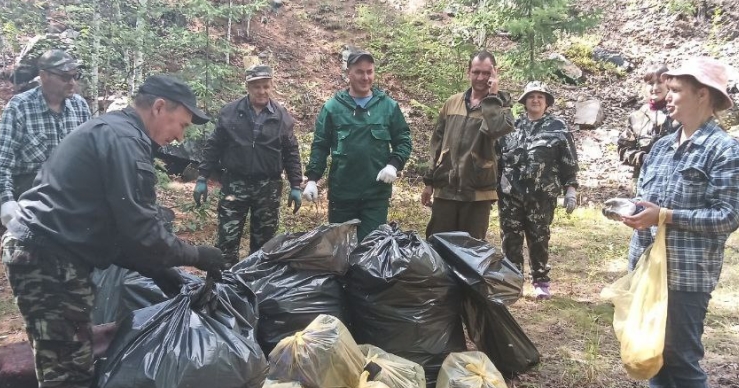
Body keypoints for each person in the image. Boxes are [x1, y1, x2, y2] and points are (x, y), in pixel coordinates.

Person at [2, 74, 230, 388]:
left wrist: (165, 274)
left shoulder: (114, 134)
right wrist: (197, 255)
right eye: (181, 124)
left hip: (51, 256)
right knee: (68, 373)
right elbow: (143, 233)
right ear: (159, 107)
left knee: (61, 364)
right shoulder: (124, 142)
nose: (180, 136)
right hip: (49, 261)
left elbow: (119, 237)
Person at [622, 57, 739, 388]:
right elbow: (650, 201)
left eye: (676, 90)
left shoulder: (724, 150)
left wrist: (667, 216)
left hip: (687, 273)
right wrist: (637, 213)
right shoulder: (663, 145)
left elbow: (727, 216)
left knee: (682, 358)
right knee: (655, 348)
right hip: (648, 267)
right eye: (668, 88)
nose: (667, 96)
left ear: (703, 95)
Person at [194, 65, 303, 265]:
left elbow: (291, 152)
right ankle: (224, 286)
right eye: (256, 87)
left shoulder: (281, 116)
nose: (262, 91)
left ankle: (255, 287)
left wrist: (296, 185)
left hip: (268, 187)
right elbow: (214, 146)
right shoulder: (230, 112)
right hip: (235, 184)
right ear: (248, 87)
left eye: (266, 86)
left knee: (264, 245)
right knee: (227, 240)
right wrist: (202, 176)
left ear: (271, 86)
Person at [303, 50, 412, 241]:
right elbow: (320, 145)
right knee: (340, 250)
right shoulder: (332, 108)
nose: (365, 77)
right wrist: (313, 179)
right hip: (342, 195)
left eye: (369, 72)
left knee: (371, 250)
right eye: (360, 72)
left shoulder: (387, 107)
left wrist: (393, 164)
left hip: (375, 195)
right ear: (349, 73)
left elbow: (403, 139)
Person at [0, 49, 91, 226]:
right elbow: (2, 159)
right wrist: (6, 200)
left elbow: (91, 155)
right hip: (32, 188)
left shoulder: (80, 106)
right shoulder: (19, 107)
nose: (72, 83)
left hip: (70, 188)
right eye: (65, 77)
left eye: (75, 76)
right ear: (44, 76)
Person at [497, 81, 578, 300]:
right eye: (531, 96)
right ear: (524, 101)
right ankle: (513, 282)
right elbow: (499, 159)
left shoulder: (558, 127)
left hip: (542, 196)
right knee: (510, 238)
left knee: (539, 238)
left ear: (546, 102)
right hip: (510, 195)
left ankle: (540, 281)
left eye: (540, 97)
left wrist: (570, 189)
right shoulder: (511, 126)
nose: (535, 100)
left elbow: (568, 162)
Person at [421, 50, 514, 241]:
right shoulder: (451, 103)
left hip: (477, 192)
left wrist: (493, 98)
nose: (480, 78)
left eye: (486, 73)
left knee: (470, 253)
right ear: (468, 72)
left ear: (495, 74)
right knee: (438, 246)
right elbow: (436, 143)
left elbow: (496, 130)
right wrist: (429, 182)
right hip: (445, 190)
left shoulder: (501, 106)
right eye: (476, 72)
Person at [617, 64, 680, 183]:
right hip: (643, 181)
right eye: (650, 83)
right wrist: (641, 158)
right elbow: (623, 149)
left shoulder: (680, 113)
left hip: (675, 181)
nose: (655, 88)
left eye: (660, 82)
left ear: (669, 85)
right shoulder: (637, 117)